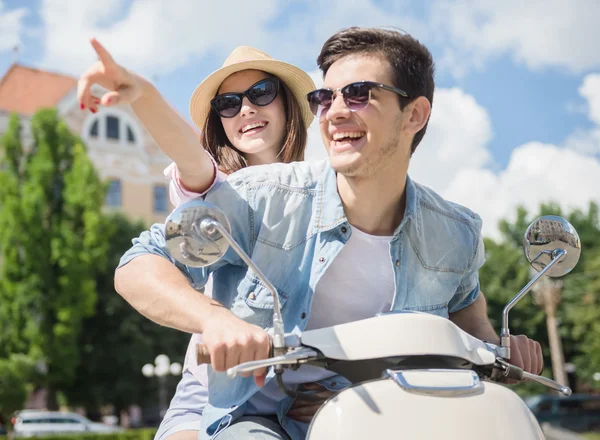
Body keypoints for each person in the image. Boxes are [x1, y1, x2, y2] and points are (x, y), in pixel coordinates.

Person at [114, 27, 544, 440]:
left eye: (359, 95)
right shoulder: (256, 197)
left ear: (415, 114)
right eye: (326, 97)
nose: (336, 111)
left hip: (379, 416)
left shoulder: (456, 234)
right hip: (248, 410)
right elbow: (140, 263)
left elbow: (466, 314)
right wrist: (216, 321)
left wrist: (501, 347)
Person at [78, 40, 317, 440]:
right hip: (214, 394)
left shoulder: (326, 196)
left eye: (261, 93)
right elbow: (192, 158)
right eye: (228, 103)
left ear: (288, 103)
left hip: (304, 395)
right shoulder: (218, 192)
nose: (246, 109)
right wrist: (143, 95)